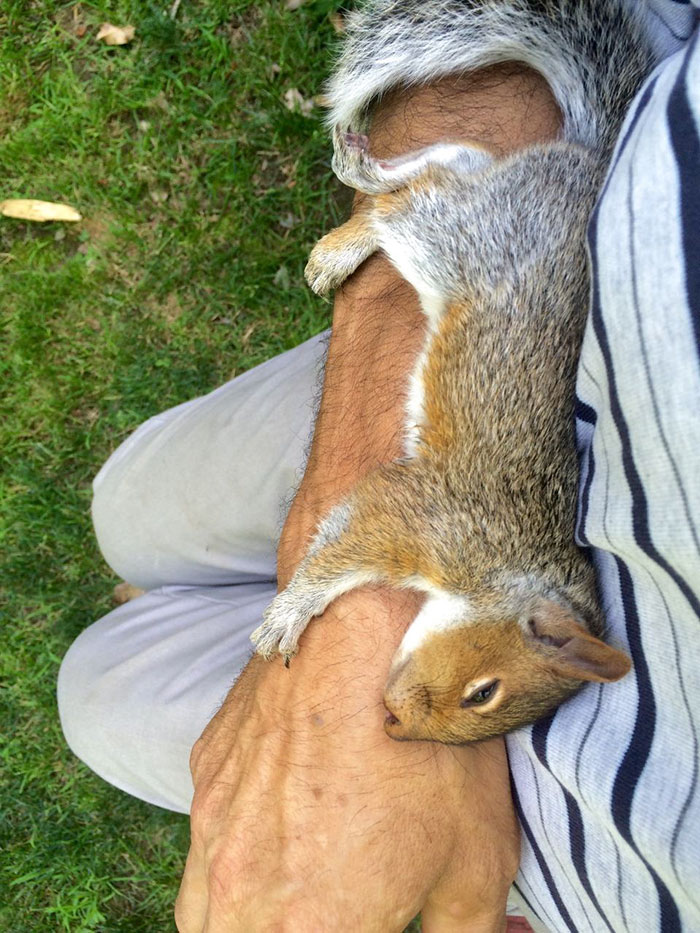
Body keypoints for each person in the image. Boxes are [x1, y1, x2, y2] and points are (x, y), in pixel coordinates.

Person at [58, 1, 700, 930]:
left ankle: (153, 597)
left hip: (567, 855)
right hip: (541, 309)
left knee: (102, 692)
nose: (419, 715)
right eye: (477, 693)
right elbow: (390, 511)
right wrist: (314, 610)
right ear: (548, 631)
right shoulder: (496, 594)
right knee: (127, 502)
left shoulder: (518, 631)